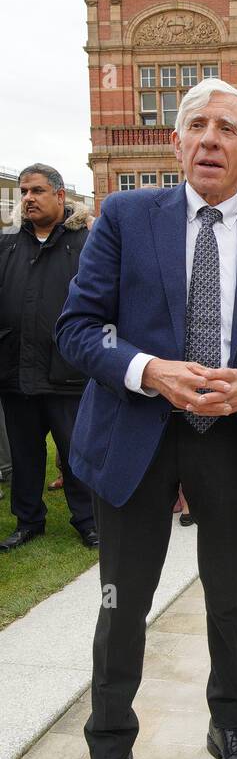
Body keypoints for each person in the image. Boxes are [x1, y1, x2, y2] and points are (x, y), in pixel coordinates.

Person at [55, 78, 237, 759]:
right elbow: (77, 328)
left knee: (230, 597)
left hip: (229, 441)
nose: (208, 139)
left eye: (226, 128)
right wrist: (147, 370)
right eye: (195, 125)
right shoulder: (128, 218)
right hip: (137, 435)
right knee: (120, 605)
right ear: (175, 143)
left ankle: (231, 727)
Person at [0, 165, 96, 552]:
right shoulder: (7, 246)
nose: (28, 198)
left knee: (76, 453)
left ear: (60, 196)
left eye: (37, 190)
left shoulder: (87, 245)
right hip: (16, 371)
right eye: (24, 191)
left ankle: (88, 521)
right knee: (24, 455)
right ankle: (27, 521)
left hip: (68, 372)